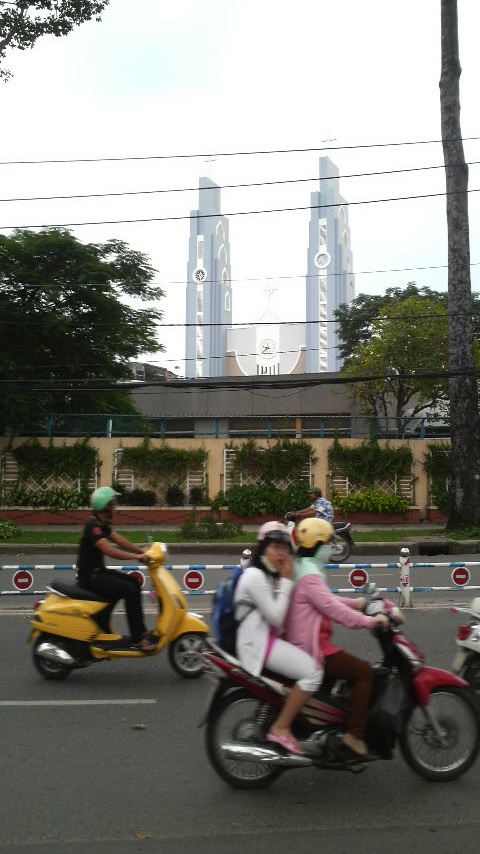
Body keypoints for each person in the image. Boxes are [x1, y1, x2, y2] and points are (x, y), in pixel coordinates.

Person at [284, 517, 389, 760]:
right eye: (330, 542)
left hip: (309, 642)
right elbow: (333, 610)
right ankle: (354, 735)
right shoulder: (310, 575)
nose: (333, 547)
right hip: (313, 648)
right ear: (318, 545)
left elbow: (327, 600)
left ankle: (333, 723)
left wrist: (357, 603)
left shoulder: (306, 567)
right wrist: (369, 621)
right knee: (364, 673)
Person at [234, 520, 323, 756]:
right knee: (313, 673)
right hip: (258, 645)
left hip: (266, 639)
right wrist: (286, 579)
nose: (281, 553)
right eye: (275, 547)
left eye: (285, 548)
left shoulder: (268, 575)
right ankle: (281, 727)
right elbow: (275, 617)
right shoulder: (255, 576)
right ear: (262, 548)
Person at [76, 486, 156, 652]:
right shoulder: (93, 527)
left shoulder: (102, 524)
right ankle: (137, 639)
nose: (115, 507)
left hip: (98, 572)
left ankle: (138, 630)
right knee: (128, 590)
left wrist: (142, 550)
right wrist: (137, 557)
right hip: (90, 577)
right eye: (113, 504)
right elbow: (109, 550)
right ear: (106, 506)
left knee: (133, 582)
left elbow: (119, 540)